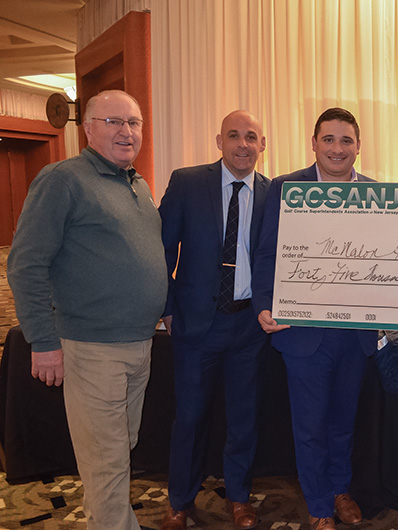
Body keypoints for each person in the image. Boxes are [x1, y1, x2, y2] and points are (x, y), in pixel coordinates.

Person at [6, 90, 167, 530]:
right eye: (114, 121)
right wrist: (43, 341)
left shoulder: (137, 183)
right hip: (92, 347)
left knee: (117, 448)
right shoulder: (62, 179)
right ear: (88, 129)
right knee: (107, 457)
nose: (126, 131)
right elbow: (25, 264)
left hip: (139, 343)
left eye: (133, 122)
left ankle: (104, 519)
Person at [252, 107, 378, 530]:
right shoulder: (287, 188)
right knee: (310, 426)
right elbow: (267, 253)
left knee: (344, 422)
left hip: (355, 334)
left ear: (358, 146)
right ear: (314, 144)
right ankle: (320, 504)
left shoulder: (377, 194)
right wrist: (263, 304)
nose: (337, 149)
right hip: (302, 332)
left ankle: (340, 490)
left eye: (346, 140)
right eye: (329, 139)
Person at [157, 110, 270, 530]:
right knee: (189, 418)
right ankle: (179, 501)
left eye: (251, 137)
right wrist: (168, 308)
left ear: (263, 145)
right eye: (234, 135)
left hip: (249, 327)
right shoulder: (187, 183)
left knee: (243, 420)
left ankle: (239, 497)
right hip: (196, 325)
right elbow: (161, 249)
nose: (243, 144)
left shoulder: (274, 192)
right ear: (219, 140)